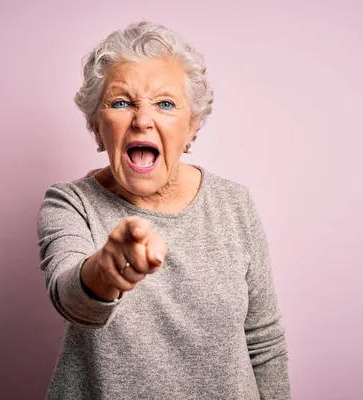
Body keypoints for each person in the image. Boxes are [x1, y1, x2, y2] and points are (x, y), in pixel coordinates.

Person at [37, 21, 290, 399]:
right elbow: (72, 300)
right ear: (95, 125)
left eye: (166, 104)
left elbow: (264, 343)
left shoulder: (235, 204)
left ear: (192, 127)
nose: (142, 120)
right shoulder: (70, 203)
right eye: (121, 102)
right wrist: (106, 270)